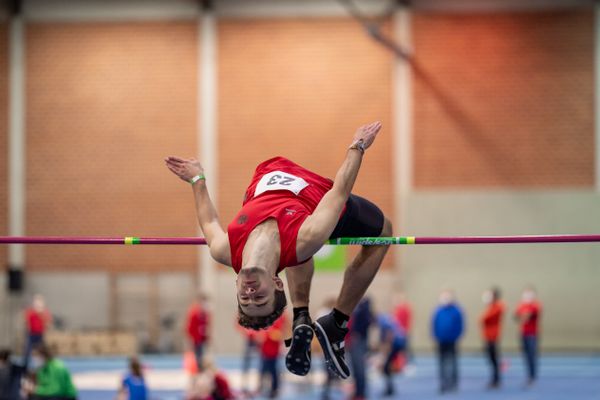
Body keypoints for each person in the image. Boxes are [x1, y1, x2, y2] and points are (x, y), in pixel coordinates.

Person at [165, 121, 392, 379]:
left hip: (266, 180)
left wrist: (197, 177)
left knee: (286, 249)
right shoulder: (308, 236)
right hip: (315, 195)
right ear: (276, 283)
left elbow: (208, 221)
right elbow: (340, 191)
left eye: (245, 299)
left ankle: (301, 316)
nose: (250, 294)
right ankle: (337, 323)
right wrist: (358, 145)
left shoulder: (223, 250)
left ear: (237, 282)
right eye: (259, 298)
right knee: (382, 232)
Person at [431, 289, 464, 394]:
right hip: (441, 340)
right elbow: (434, 324)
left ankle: (453, 383)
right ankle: (443, 383)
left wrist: (456, 336)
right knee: (442, 363)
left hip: (452, 340)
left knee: (453, 362)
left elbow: (460, 325)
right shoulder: (438, 310)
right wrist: (435, 336)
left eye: (447, 296)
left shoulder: (456, 310)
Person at [346, 297, 374, 400]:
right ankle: (357, 392)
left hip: (358, 341)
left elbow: (368, 321)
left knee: (360, 369)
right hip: (353, 341)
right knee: (355, 369)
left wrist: (357, 334)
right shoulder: (356, 307)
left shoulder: (363, 306)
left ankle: (361, 394)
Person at [514, 286, 542, 386]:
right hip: (523, 333)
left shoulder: (536, 305)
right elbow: (516, 316)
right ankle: (528, 375)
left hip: (532, 334)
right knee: (525, 355)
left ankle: (532, 376)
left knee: (532, 355)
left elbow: (529, 315)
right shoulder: (521, 305)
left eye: (529, 293)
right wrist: (524, 316)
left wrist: (524, 315)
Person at [480, 287, 504, 389]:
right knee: (491, 359)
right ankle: (494, 379)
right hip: (488, 336)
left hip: (493, 336)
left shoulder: (498, 306)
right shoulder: (491, 307)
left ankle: (496, 379)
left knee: (494, 359)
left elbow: (484, 319)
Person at [376, 313, 406, 397]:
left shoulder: (383, 323)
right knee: (387, 368)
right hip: (399, 343)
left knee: (386, 368)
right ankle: (390, 388)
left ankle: (389, 389)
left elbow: (389, 337)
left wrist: (384, 354)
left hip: (395, 345)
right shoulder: (386, 320)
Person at [258, 314, 286, 398]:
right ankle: (262, 387)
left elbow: (279, 334)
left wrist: (270, 334)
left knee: (273, 371)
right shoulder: (266, 317)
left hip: (273, 351)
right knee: (263, 369)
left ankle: (274, 389)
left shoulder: (280, 317)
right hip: (265, 350)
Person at [23, 295, 52, 365]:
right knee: (27, 350)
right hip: (31, 334)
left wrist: (41, 315)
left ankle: (46, 363)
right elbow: (26, 322)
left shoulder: (45, 312)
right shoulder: (30, 312)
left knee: (43, 350)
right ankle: (25, 365)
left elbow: (48, 324)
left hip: (40, 334)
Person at [186, 293, 211, 370]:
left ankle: (202, 370)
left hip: (203, 339)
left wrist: (208, 337)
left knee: (203, 356)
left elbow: (207, 327)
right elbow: (189, 327)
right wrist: (191, 338)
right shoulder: (194, 313)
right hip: (196, 339)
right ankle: (198, 370)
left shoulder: (206, 314)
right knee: (198, 356)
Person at [237, 325, 260, 394]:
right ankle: (244, 385)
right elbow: (238, 324)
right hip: (249, 341)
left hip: (258, 341)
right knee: (246, 366)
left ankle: (258, 386)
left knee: (259, 365)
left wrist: (258, 334)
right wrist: (246, 332)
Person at [392, 292, 413, 362]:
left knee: (405, 347)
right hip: (398, 331)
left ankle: (408, 361)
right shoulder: (397, 309)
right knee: (402, 348)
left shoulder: (404, 309)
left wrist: (405, 330)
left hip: (403, 331)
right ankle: (403, 361)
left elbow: (407, 320)